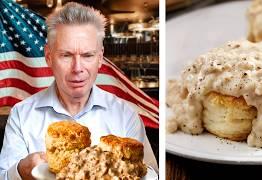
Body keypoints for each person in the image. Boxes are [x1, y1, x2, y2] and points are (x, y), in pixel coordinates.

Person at [0, 2, 158, 179]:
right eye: (66, 55)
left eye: (87, 55)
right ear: (48, 57)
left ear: (100, 58)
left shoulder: (125, 114)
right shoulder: (21, 115)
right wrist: (21, 170)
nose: (77, 68)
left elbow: (152, 174)